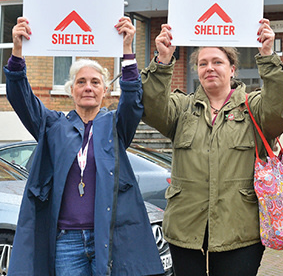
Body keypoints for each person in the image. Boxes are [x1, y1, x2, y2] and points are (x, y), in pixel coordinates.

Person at [5, 16, 164, 276]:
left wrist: (127, 49)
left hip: (107, 238)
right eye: (81, 82)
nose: (88, 87)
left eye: (95, 82)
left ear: (105, 91)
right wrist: (18, 51)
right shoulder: (53, 125)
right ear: (71, 90)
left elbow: (133, 101)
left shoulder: (115, 125)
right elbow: (21, 99)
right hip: (66, 242)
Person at [140, 18, 283, 276]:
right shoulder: (181, 108)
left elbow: (280, 110)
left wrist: (268, 57)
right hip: (185, 228)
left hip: (239, 230)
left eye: (217, 62)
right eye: (203, 63)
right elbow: (152, 107)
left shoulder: (253, 107)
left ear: (232, 69)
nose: (209, 68)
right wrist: (163, 61)